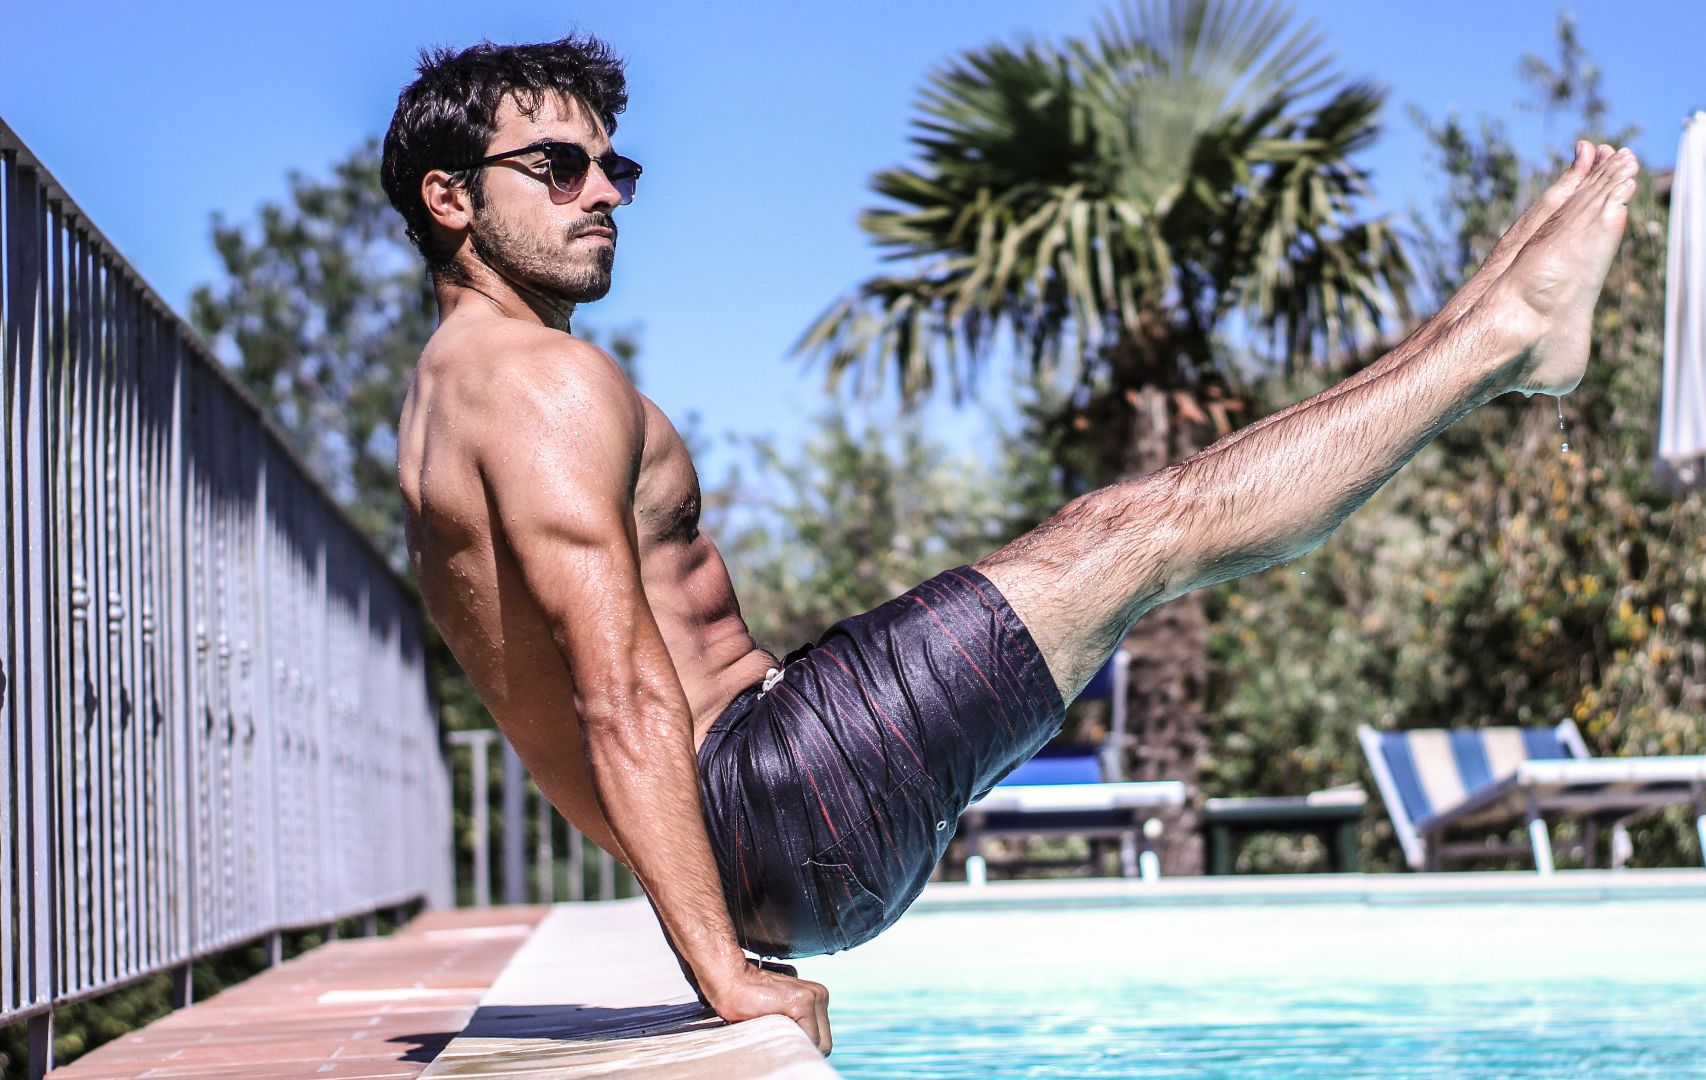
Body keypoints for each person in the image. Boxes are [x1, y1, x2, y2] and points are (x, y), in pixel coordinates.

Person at [383, 35, 1638, 1056]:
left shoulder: (456, 390)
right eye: (556, 165)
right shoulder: (532, 385)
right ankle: (1499, 337)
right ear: (451, 198)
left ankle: (1497, 325)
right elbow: (615, 694)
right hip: (766, 800)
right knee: (1141, 528)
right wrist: (723, 972)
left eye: (614, 168)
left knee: (1130, 531)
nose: (602, 192)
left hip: (766, 816)